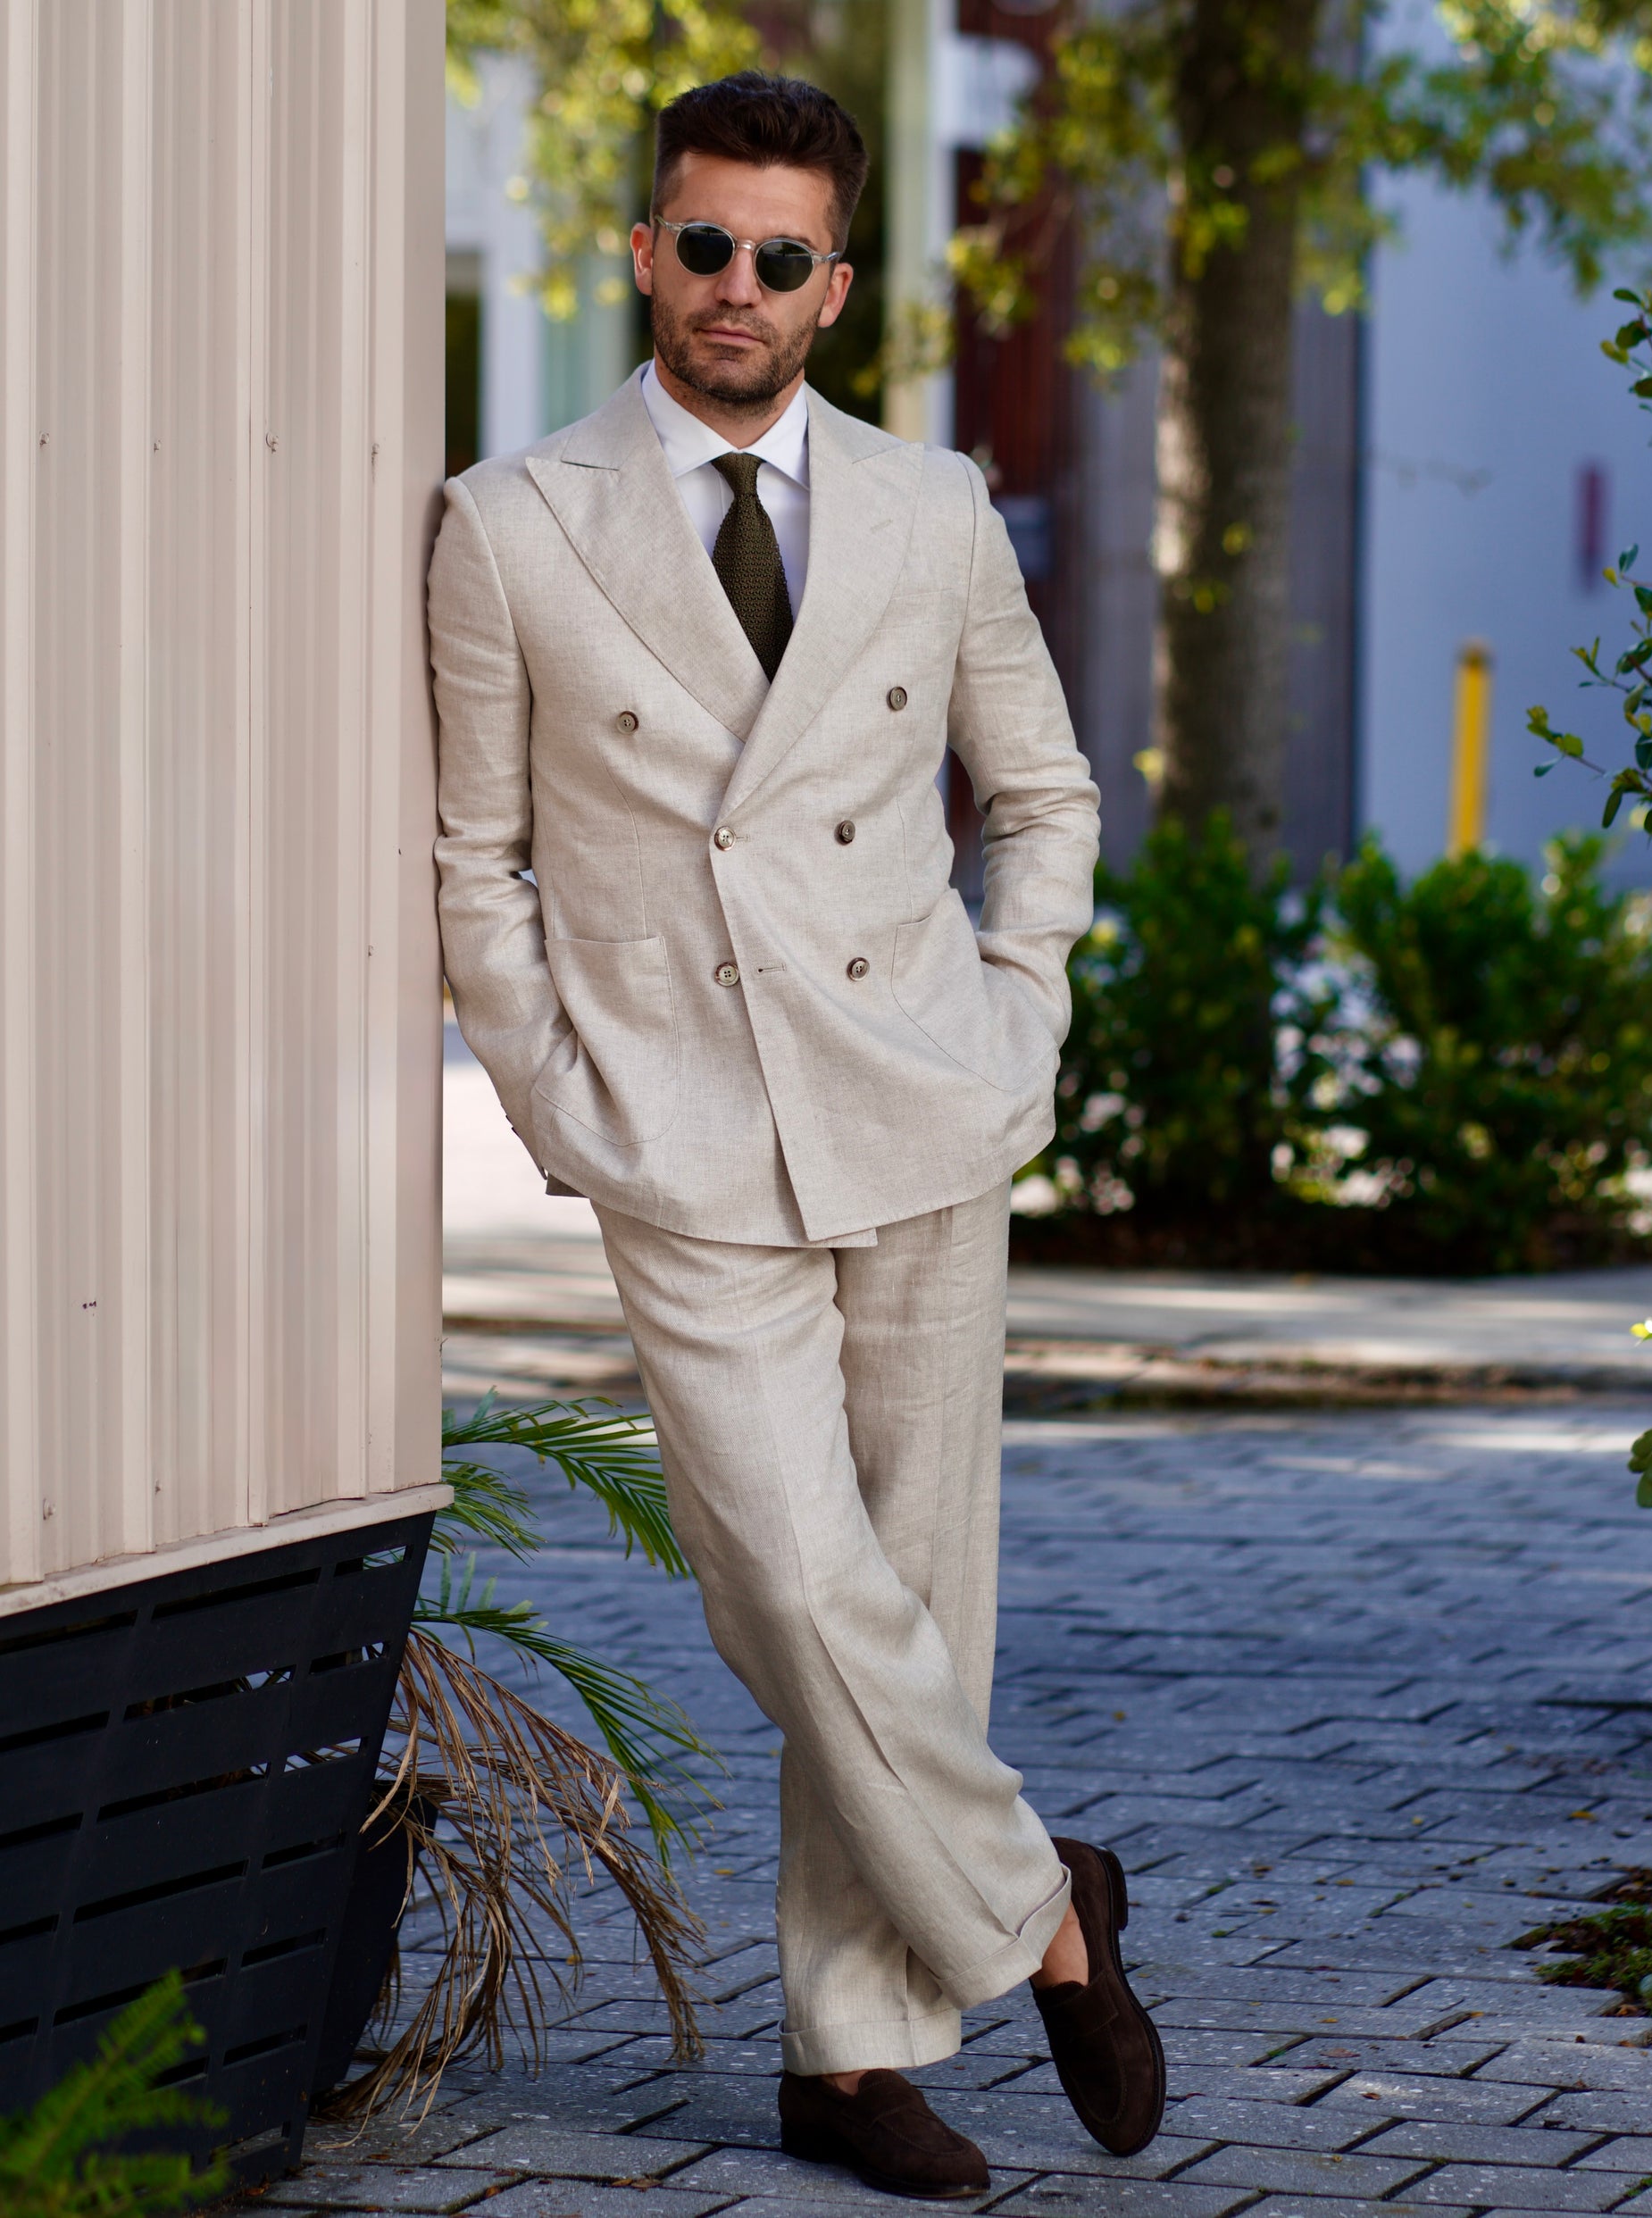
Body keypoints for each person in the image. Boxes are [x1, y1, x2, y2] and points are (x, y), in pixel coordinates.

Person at [429, 69, 1163, 2200]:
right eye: (698, 244)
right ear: (638, 250)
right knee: (784, 1570)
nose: (730, 287)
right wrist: (560, 1097)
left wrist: (1016, 1023)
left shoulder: (932, 510)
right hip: (682, 1127)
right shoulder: (511, 522)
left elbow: (1043, 799)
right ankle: (1040, 1902)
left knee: (910, 1584)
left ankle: (848, 2063)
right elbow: (475, 861)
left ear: (832, 284)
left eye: (775, 257)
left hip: (919, 1099)